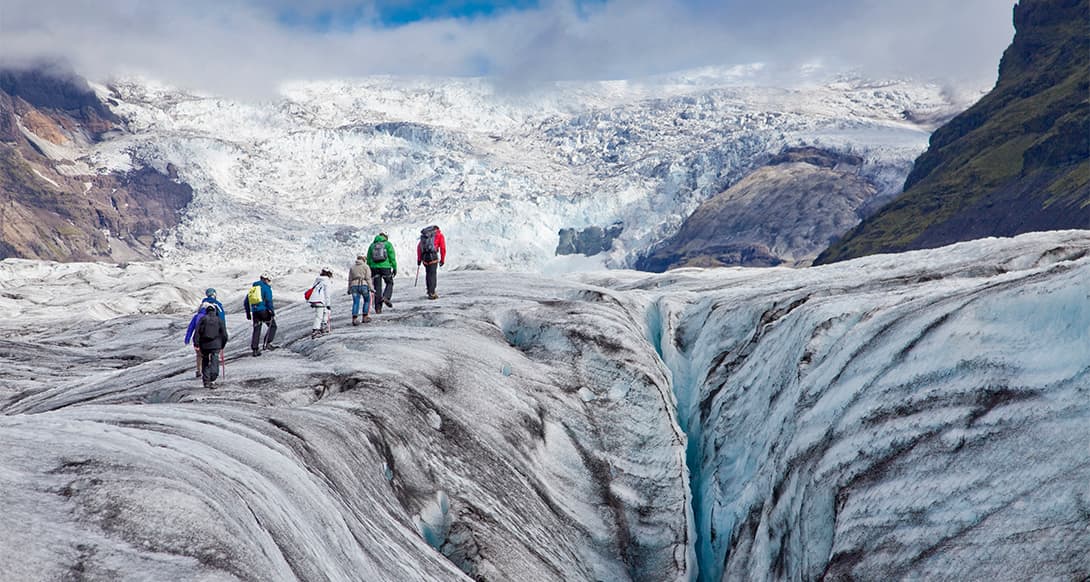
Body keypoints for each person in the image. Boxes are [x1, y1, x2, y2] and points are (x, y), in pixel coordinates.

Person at [183, 288, 226, 378]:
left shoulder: (198, 315)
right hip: (214, 337)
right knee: (212, 355)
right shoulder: (217, 306)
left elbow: (191, 327)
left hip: (200, 338)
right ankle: (211, 372)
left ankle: (199, 370)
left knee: (200, 355)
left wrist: (188, 338)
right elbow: (222, 321)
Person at [243, 272, 277, 357]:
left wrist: (248, 313)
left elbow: (246, 302)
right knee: (272, 326)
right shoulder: (266, 288)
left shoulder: (253, 289)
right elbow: (269, 300)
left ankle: (255, 349)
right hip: (263, 311)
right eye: (268, 280)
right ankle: (267, 344)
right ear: (265, 279)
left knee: (257, 329)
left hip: (255, 312)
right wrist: (271, 311)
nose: (269, 282)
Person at [195, 304, 228, 388]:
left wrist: (196, 343)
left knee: (205, 360)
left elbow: (197, 332)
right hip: (216, 344)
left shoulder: (203, 319)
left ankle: (206, 381)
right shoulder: (219, 320)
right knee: (215, 359)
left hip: (204, 344)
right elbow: (224, 334)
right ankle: (213, 377)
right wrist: (222, 345)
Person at [367, 232, 397, 313]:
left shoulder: (372, 245)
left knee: (377, 288)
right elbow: (392, 257)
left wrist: (369, 269)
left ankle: (378, 308)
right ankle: (386, 297)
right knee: (389, 282)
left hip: (374, 268)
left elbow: (369, 258)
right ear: (385, 237)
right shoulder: (387, 244)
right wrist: (394, 267)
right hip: (385, 267)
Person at [417, 225, 447, 300]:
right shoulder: (439, 235)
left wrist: (419, 259)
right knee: (433, 274)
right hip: (433, 256)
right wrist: (442, 259)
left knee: (428, 274)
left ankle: (429, 290)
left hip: (425, 257)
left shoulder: (424, 236)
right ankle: (432, 292)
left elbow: (419, 247)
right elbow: (443, 248)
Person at [308, 267, 333, 338]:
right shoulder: (327, 281)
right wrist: (328, 304)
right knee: (321, 314)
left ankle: (322, 327)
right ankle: (316, 330)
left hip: (314, 299)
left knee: (322, 312)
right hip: (320, 299)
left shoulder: (318, 280)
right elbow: (327, 293)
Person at [347, 255, 373, 325]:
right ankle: (365, 317)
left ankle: (354, 319)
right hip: (364, 285)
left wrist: (349, 289)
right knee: (367, 300)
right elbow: (368, 278)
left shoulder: (352, 267)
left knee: (356, 302)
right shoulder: (366, 266)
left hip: (354, 286)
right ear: (364, 259)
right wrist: (371, 288)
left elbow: (350, 279)